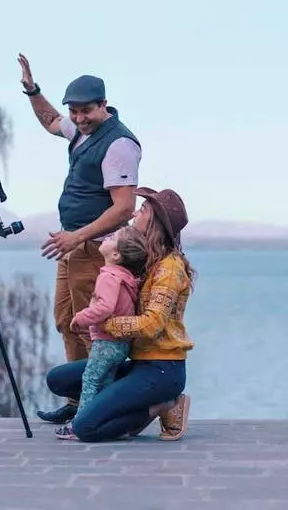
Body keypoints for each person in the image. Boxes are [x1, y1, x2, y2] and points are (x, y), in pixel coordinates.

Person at [17, 53, 142, 425]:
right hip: (72, 246)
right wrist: (32, 90)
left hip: (96, 251)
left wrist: (77, 238)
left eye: (86, 111)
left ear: (104, 105)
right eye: (75, 111)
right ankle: (77, 400)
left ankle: (99, 406)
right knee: (67, 320)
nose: (78, 118)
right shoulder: (82, 132)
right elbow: (51, 121)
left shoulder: (119, 144)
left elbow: (123, 208)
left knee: (96, 332)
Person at [48, 187, 195, 442]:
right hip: (137, 362)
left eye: (144, 210)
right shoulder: (145, 259)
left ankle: (163, 405)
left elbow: (153, 325)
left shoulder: (169, 269)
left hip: (162, 369)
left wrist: (106, 323)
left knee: (85, 428)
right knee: (58, 380)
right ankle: (124, 402)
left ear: (155, 223)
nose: (136, 213)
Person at [57, 226, 148, 440]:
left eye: (113, 237)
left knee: (89, 380)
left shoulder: (109, 276)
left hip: (106, 342)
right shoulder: (125, 277)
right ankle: (106, 421)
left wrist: (80, 318)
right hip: (121, 344)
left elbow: (104, 308)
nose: (107, 237)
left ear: (116, 254)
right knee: (106, 382)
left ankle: (79, 424)